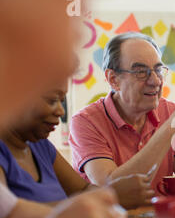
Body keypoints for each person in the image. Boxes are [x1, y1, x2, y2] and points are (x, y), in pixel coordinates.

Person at [0, 0, 129, 218]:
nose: (77, 34)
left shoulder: (40, 147)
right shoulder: (86, 121)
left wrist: (95, 207)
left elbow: (10, 214)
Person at [69, 32, 175, 195]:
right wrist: (171, 126)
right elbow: (111, 190)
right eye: (140, 72)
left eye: (158, 70)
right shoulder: (85, 122)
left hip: (160, 217)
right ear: (113, 79)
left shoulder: (170, 112)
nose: (156, 81)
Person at [0, 81, 154, 209]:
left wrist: (115, 193)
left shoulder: (40, 146)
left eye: (62, 101)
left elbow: (82, 190)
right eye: (52, 100)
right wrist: (111, 197)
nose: (61, 111)